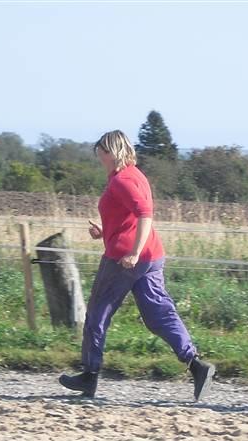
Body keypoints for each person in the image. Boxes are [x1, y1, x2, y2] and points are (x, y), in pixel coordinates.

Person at [59, 130, 215, 400]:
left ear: (112, 152)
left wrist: (133, 251)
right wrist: (105, 230)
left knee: (97, 315)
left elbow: (145, 215)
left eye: (101, 154)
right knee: (159, 315)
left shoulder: (122, 180)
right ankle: (196, 365)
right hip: (151, 257)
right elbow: (129, 218)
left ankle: (89, 376)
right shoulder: (135, 175)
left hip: (124, 260)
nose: (100, 159)